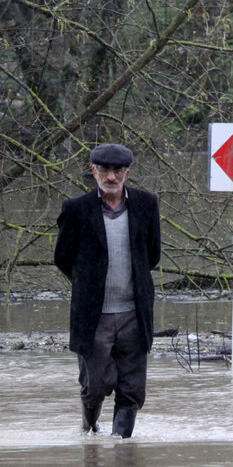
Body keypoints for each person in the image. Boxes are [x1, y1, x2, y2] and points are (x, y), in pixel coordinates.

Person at [54, 143, 161, 438]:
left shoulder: (146, 204)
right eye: (104, 170)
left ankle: (120, 446)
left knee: (132, 389)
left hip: (133, 313)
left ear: (127, 172)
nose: (111, 177)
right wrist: (88, 283)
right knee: (95, 386)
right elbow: (62, 257)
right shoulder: (76, 210)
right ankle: (89, 426)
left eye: (117, 171)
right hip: (94, 315)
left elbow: (152, 255)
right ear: (93, 171)